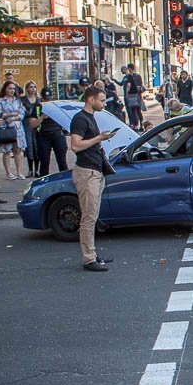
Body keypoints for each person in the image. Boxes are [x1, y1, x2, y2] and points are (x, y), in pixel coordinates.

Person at [70, 86, 119, 272]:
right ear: (91, 99)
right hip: (87, 172)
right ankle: (88, 258)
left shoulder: (90, 118)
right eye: (102, 100)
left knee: (93, 215)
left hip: (95, 171)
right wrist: (99, 137)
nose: (104, 104)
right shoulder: (80, 119)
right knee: (89, 217)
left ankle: (91, 253)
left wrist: (102, 138)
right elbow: (75, 146)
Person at [0, 81, 26, 180]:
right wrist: (12, 114)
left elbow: (22, 114)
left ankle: (19, 172)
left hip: (17, 127)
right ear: (5, 89)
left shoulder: (17, 100)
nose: (12, 91)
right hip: (6, 127)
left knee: (18, 150)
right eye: (10, 88)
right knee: (7, 150)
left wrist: (12, 117)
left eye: (13, 89)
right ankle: (8, 172)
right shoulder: (0, 101)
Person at [20, 81, 40, 177]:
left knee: (37, 146)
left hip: (37, 125)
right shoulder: (23, 100)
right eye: (31, 87)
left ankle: (37, 169)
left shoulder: (38, 100)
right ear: (27, 88)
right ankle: (30, 169)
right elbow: (22, 112)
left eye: (34, 87)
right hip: (27, 125)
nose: (33, 89)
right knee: (29, 146)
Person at [121, 63, 145, 128]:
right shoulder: (138, 76)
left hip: (132, 95)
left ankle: (135, 125)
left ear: (129, 69)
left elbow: (128, 85)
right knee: (138, 110)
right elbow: (141, 85)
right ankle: (142, 124)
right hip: (138, 95)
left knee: (133, 110)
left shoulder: (129, 76)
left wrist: (126, 94)